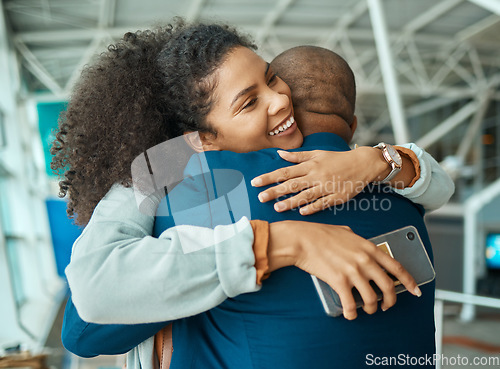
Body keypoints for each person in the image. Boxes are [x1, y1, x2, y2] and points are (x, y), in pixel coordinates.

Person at [55, 22, 453, 368]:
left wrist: (378, 160)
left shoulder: (199, 198)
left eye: (273, 79)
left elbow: (83, 334)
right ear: (202, 139)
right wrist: (285, 240)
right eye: (249, 102)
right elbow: (89, 314)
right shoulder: (166, 167)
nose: (282, 100)